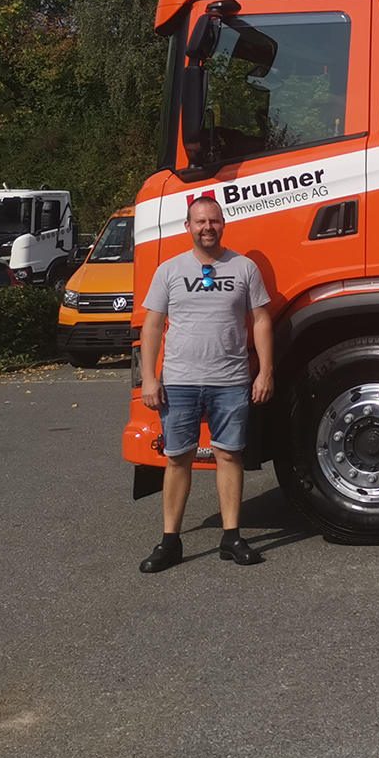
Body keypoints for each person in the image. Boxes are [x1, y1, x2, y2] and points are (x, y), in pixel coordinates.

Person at [137, 194, 274, 572]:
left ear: (223, 224)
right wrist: (150, 378)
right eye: (200, 222)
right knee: (177, 458)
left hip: (230, 381)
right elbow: (152, 325)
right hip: (179, 382)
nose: (207, 227)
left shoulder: (244, 267)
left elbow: (260, 320)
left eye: (213, 221)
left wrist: (265, 371)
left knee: (229, 455)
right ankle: (169, 542)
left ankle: (232, 537)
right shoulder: (169, 270)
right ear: (188, 227)